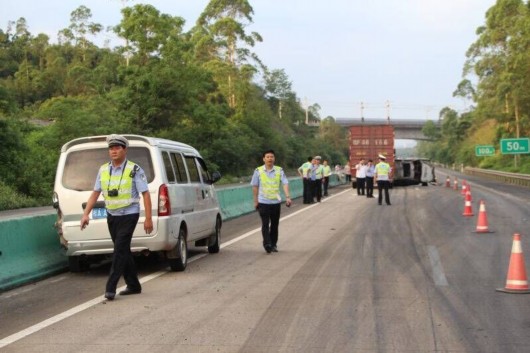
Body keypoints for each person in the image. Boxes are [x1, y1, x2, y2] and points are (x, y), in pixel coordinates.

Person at [80, 134, 153, 301]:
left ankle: (110, 288)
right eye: (111, 148)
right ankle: (134, 285)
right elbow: (96, 193)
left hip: (129, 215)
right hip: (112, 216)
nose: (113, 151)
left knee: (119, 250)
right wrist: (86, 214)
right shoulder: (103, 170)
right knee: (123, 250)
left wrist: (148, 218)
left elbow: (146, 195)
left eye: (117, 148)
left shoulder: (134, 170)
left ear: (124, 150)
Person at [251, 150, 292, 253]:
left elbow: (285, 183)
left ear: (274, 158)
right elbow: (255, 186)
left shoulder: (279, 170)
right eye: (268, 157)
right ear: (264, 159)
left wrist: (288, 197)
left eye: (272, 157)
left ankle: (273, 244)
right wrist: (255, 201)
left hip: (275, 203)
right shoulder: (258, 171)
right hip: (263, 202)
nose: (270, 158)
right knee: (265, 223)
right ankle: (267, 243)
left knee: (274, 224)